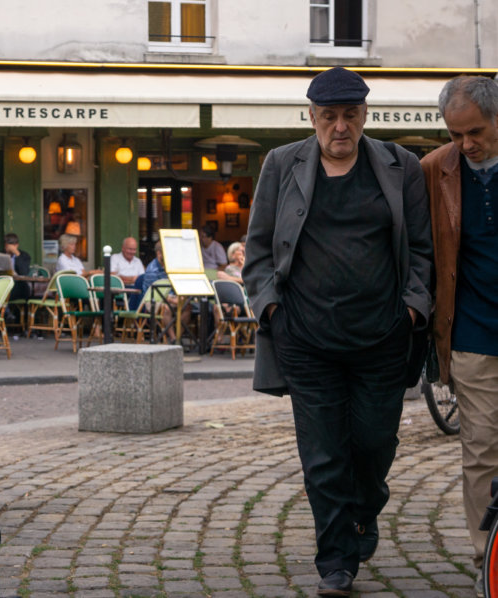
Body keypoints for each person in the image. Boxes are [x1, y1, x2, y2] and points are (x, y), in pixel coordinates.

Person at [243, 67, 433, 597]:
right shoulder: (282, 164)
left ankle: (364, 511)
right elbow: (257, 250)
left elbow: (421, 248)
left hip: (382, 337)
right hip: (305, 339)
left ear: (365, 116)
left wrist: (413, 310)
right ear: (312, 118)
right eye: (329, 117)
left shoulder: (401, 166)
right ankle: (336, 562)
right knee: (323, 453)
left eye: (350, 115)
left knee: (374, 444)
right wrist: (272, 312)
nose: (340, 127)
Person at [422, 75, 498, 597]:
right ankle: (486, 558)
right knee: (482, 451)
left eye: (475, 132)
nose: (466, 145)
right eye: (455, 134)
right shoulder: (435, 170)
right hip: (470, 333)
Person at [4, 232, 31, 302]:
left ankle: (7, 311)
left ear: (16, 245)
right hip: (4, 283)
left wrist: (17, 254)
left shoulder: (24, 256)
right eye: (6, 246)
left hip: (18, 285)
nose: (8, 249)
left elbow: (24, 272)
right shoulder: (1, 254)